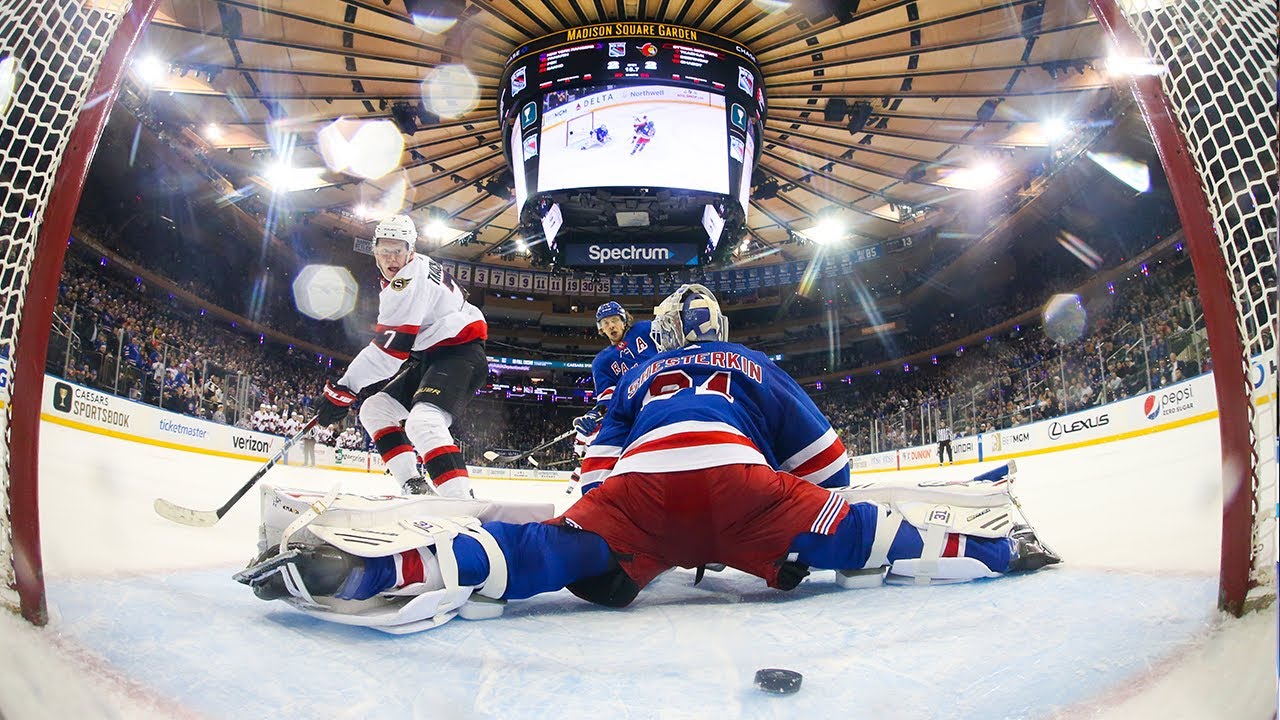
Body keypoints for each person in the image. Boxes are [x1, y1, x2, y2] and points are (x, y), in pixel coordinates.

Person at [240, 284, 1060, 633]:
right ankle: (997, 547)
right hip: (749, 493)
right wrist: (803, 511)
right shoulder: (754, 363)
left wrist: (594, 520)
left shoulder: (633, 371)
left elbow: (595, 476)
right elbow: (831, 467)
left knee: (536, 554)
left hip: (639, 496)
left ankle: (384, 570)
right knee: (871, 537)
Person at [315, 214, 488, 499]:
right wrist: (347, 391)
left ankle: (459, 501)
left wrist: (345, 388)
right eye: (384, 250)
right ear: (374, 251)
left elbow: (389, 355)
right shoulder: (414, 269)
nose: (391, 258)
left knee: (424, 422)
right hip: (433, 355)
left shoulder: (405, 282)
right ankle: (415, 486)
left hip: (460, 353)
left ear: (411, 251)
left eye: (398, 250)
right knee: (374, 410)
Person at [565, 301, 658, 494]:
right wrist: (595, 414)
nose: (611, 326)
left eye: (615, 320)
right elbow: (607, 396)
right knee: (598, 455)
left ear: (624, 321)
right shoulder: (601, 361)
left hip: (662, 397)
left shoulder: (645, 328)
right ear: (601, 328)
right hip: (633, 412)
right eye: (605, 323)